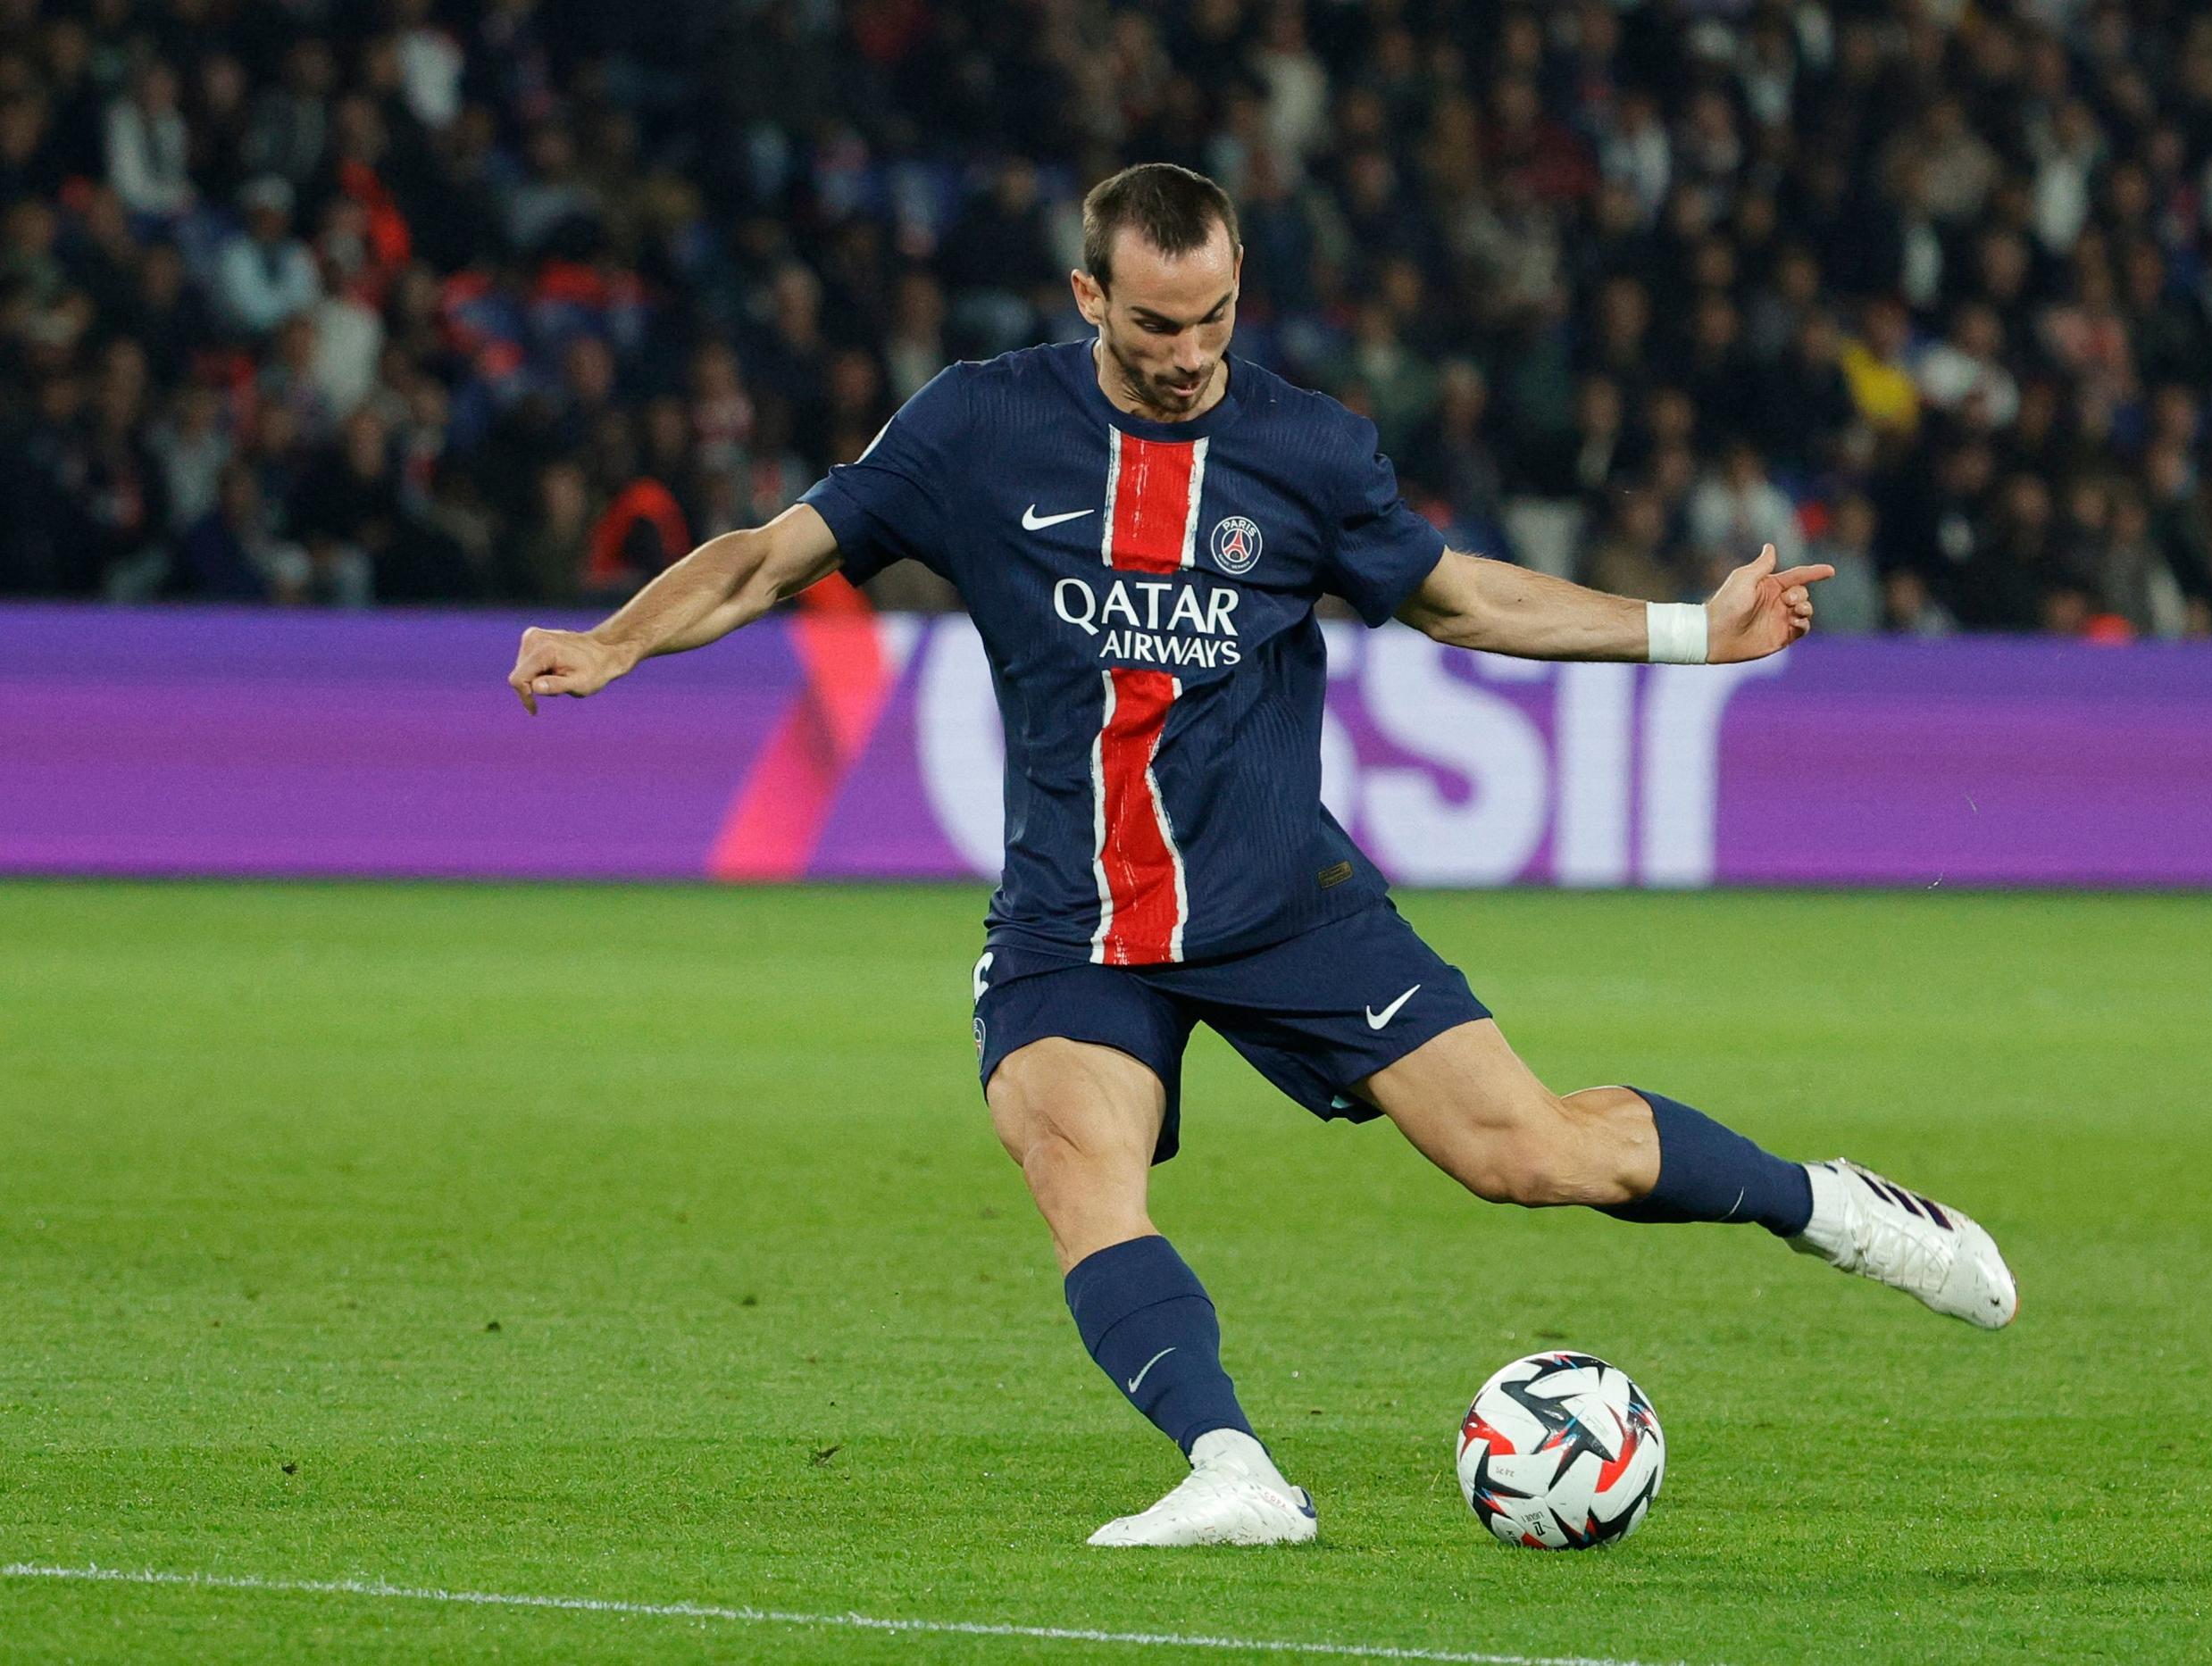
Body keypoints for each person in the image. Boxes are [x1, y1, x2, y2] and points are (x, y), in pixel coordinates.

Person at [506, 164, 2017, 1549]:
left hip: (1280, 896)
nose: (1188, 348)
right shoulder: (976, 425)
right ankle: (1232, 1468)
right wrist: (616, 640)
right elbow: (772, 553)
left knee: (1528, 1155)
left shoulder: (1302, 446)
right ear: (1090, 296)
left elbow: (1458, 600)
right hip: (1077, 912)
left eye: (1216, 313)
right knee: (1071, 1159)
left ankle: (1833, 1208)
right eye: (1158, 320)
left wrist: (1694, 630)